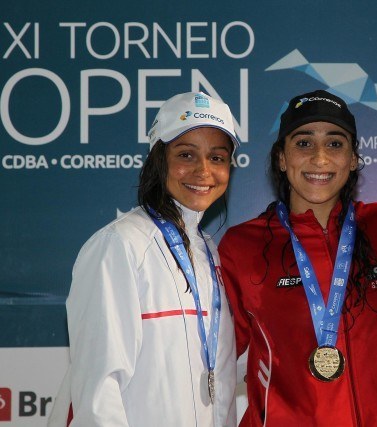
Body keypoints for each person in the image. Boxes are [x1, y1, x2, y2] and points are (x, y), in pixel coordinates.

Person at [219, 90, 377, 426]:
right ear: (282, 157)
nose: (320, 158)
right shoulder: (243, 245)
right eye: (304, 143)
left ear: (353, 159)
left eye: (335, 144)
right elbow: (217, 360)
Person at [49, 92, 239, 426]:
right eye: (186, 154)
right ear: (158, 159)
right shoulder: (119, 245)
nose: (203, 170)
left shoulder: (209, 251)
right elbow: (98, 391)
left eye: (217, 157)